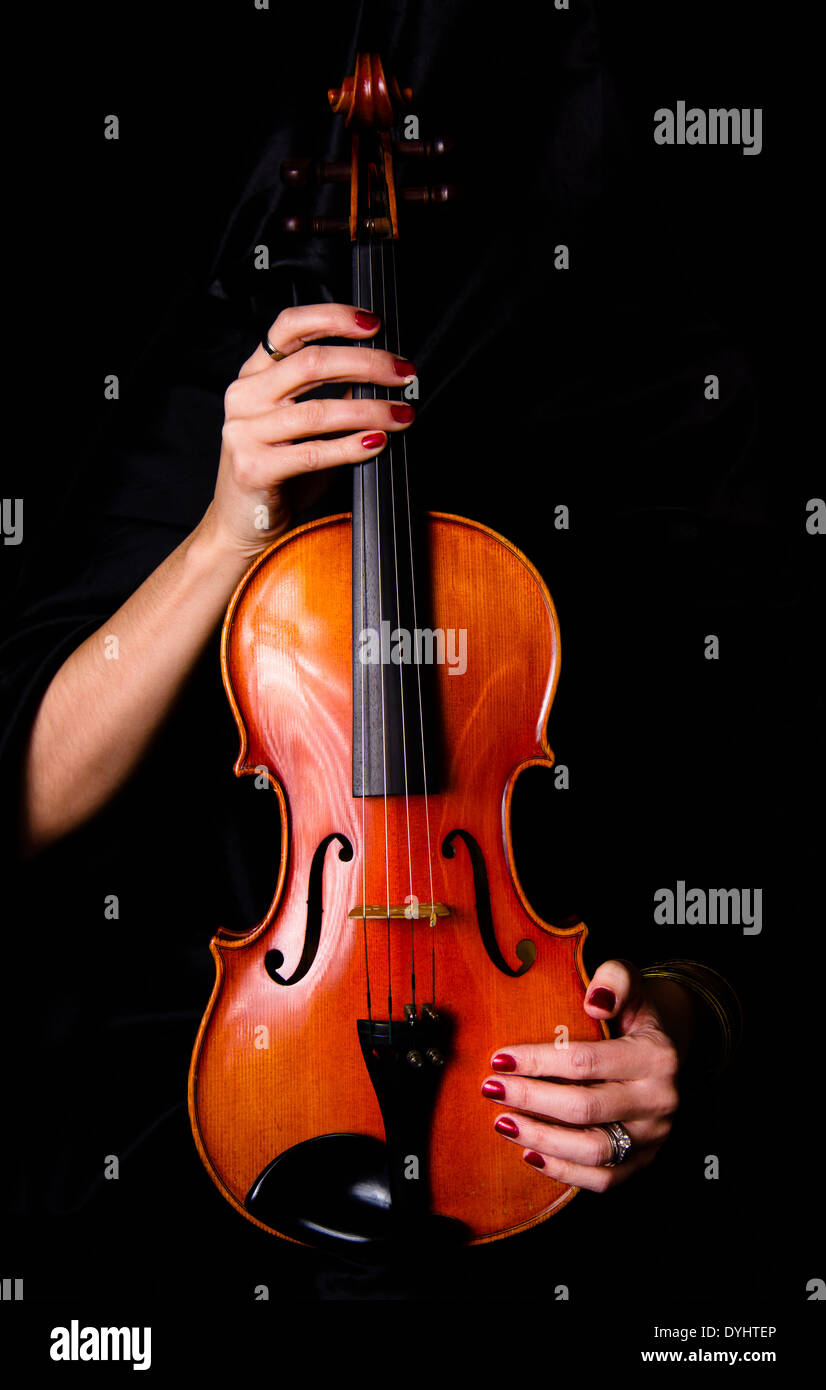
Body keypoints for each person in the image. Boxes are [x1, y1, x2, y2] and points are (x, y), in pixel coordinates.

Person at [2, 1, 766, 1304]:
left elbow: (736, 839)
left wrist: (684, 1019)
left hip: (541, 1103)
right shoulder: (228, 382)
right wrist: (229, 526)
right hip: (220, 1086)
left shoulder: (671, 392)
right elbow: (27, 793)